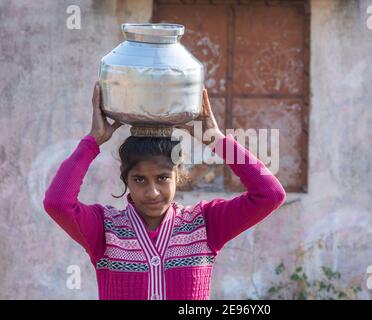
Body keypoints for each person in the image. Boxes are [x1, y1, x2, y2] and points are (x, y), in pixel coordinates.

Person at [43, 82, 286, 300]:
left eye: (162, 178)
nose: (152, 192)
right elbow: (58, 203)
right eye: (139, 179)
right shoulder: (105, 230)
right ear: (125, 179)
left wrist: (216, 140)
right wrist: (92, 142)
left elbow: (270, 195)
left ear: (177, 177)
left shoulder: (204, 225)